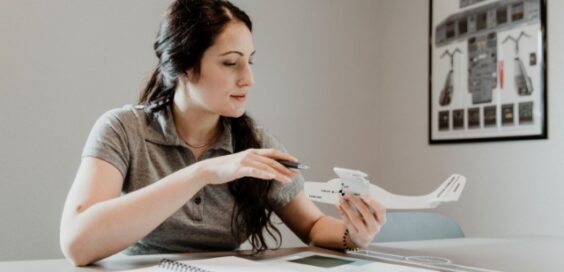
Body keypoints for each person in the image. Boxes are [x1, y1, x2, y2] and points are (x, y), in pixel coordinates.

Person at [59, 0, 386, 266]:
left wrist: (354, 235)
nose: (248, 79)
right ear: (185, 65)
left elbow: (313, 226)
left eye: (250, 62)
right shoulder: (122, 129)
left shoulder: (254, 145)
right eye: (231, 63)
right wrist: (203, 172)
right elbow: (77, 244)